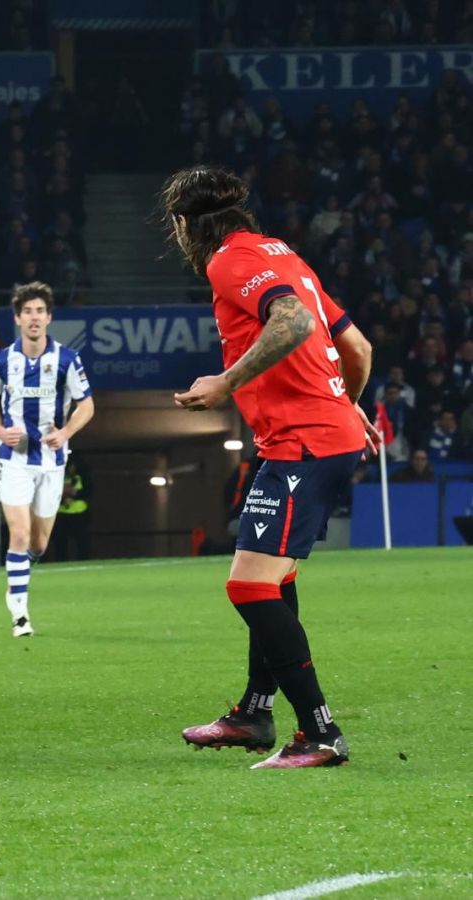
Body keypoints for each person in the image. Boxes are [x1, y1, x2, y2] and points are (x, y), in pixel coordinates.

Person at [162, 166, 380, 768]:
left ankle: (319, 733)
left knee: (249, 586)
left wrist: (225, 382)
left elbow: (294, 322)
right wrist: (348, 406)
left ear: (185, 224)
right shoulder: (284, 254)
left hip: (303, 442)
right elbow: (356, 346)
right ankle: (255, 712)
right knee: (275, 582)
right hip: (313, 435)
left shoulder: (228, 261)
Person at [0, 282, 94, 637]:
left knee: (39, 544)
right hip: (13, 459)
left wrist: (65, 433)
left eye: (40, 311)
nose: (34, 317)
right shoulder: (1, 360)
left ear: (49, 318)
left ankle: (19, 572)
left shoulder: (67, 360)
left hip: (52, 460)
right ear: (17, 318)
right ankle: (20, 614)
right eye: (27, 311)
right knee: (19, 532)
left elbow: (86, 405)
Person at [49, 455, 92, 561]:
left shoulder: (82, 476)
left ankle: (84, 561)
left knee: (82, 541)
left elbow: (89, 491)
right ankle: (60, 562)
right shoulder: (56, 476)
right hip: (61, 513)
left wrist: (75, 493)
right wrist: (62, 496)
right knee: (60, 542)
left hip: (79, 513)